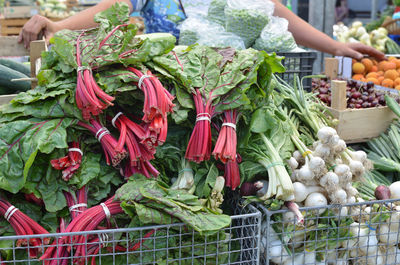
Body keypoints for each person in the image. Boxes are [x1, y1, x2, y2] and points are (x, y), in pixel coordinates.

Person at [18, 0, 385, 60]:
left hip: (235, 98)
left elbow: (274, 11)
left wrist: (335, 47)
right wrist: (58, 26)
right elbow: (117, 6)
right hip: (169, 100)